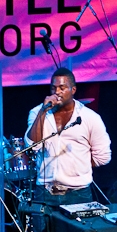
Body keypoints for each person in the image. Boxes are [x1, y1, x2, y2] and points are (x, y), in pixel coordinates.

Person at [25, 67, 111, 206]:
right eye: (53, 88)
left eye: (62, 88)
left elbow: (103, 157)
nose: (57, 92)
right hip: (45, 193)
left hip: (78, 194)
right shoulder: (37, 113)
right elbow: (31, 146)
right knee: (43, 229)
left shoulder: (90, 117)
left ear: (73, 90)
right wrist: (43, 111)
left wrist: (78, 165)